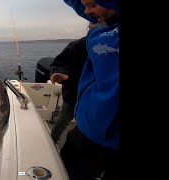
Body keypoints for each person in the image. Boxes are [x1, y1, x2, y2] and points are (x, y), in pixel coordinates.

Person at [58, 0, 120, 179]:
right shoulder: (107, 17)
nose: (86, 11)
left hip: (110, 141)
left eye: (91, 4)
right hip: (84, 131)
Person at [49, 36, 87, 144]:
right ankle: (51, 142)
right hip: (73, 96)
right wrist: (60, 73)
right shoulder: (77, 46)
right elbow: (58, 64)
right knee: (61, 123)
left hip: (98, 101)